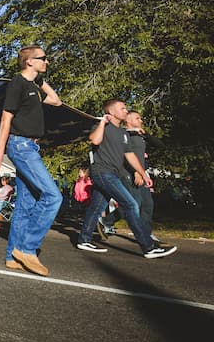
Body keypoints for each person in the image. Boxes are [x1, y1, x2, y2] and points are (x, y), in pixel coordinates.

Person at [0, 46, 63, 277]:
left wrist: (40, 81)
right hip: (20, 145)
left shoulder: (32, 85)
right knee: (53, 196)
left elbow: (56, 101)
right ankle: (27, 249)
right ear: (29, 61)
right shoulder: (17, 84)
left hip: (30, 145)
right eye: (43, 59)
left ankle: (13, 255)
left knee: (25, 204)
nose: (47, 62)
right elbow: (5, 121)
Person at [75, 100, 176, 258]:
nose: (125, 110)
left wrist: (143, 174)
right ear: (111, 112)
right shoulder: (103, 126)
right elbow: (94, 140)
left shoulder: (123, 133)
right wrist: (102, 122)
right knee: (130, 204)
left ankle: (84, 239)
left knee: (96, 207)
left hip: (112, 173)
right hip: (102, 172)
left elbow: (130, 156)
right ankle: (148, 247)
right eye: (122, 108)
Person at [125, 110, 164, 243]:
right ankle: (107, 220)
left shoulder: (140, 136)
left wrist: (146, 133)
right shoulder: (126, 135)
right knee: (134, 204)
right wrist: (137, 173)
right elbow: (128, 155)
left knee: (147, 204)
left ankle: (146, 233)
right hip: (131, 174)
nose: (141, 121)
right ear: (128, 120)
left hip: (141, 172)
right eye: (137, 118)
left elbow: (160, 145)